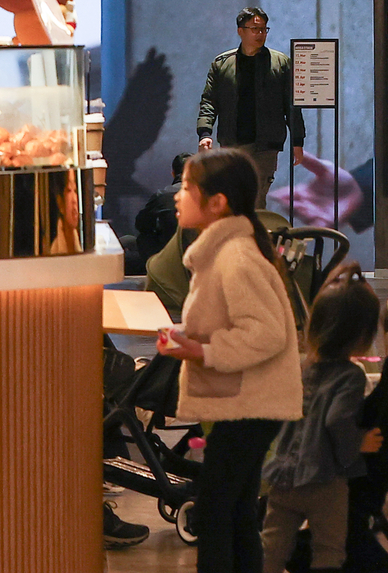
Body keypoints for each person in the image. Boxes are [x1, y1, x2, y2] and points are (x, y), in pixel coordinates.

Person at [155, 148, 304, 572]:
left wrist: (203, 351)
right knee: (235, 510)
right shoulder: (226, 251)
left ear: (217, 203)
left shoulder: (235, 257)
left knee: (216, 511)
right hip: (247, 401)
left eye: (186, 188)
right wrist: (189, 338)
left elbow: (267, 332)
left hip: (251, 403)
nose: (177, 197)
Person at [261, 265, 386, 573]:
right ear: (362, 335)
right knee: (329, 551)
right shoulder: (350, 377)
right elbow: (336, 421)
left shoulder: (301, 367)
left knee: (272, 547)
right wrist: (359, 443)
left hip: (283, 477)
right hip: (324, 482)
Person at [196, 8, 307, 204]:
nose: (260, 34)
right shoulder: (222, 64)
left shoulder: (280, 63)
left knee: (257, 197)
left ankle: (254, 234)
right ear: (241, 31)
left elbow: (291, 105)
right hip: (232, 142)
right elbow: (209, 100)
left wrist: (297, 140)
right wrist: (205, 133)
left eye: (264, 29)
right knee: (232, 198)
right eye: (255, 29)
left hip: (266, 144)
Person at [134, 152, 191, 265]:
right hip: (202, 255)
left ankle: (155, 269)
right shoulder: (208, 195)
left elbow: (142, 225)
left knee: (143, 238)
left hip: (169, 257)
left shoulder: (163, 195)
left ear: (173, 173)